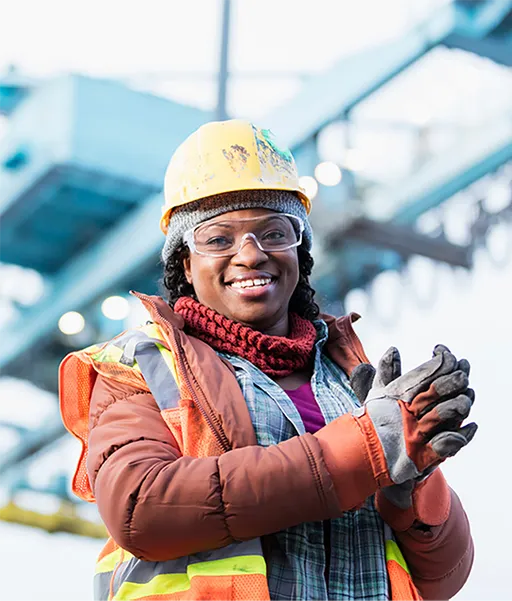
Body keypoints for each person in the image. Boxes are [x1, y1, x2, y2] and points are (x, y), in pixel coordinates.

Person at [59, 119, 478, 601]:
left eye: (274, 232)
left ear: (299, 249)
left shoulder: (348, 379)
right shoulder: (143, 366)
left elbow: (443, 576)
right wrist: (363, 450)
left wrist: (412, 488)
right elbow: (141, 509)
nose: (250, 254)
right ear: (185, 265)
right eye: (217, 239)